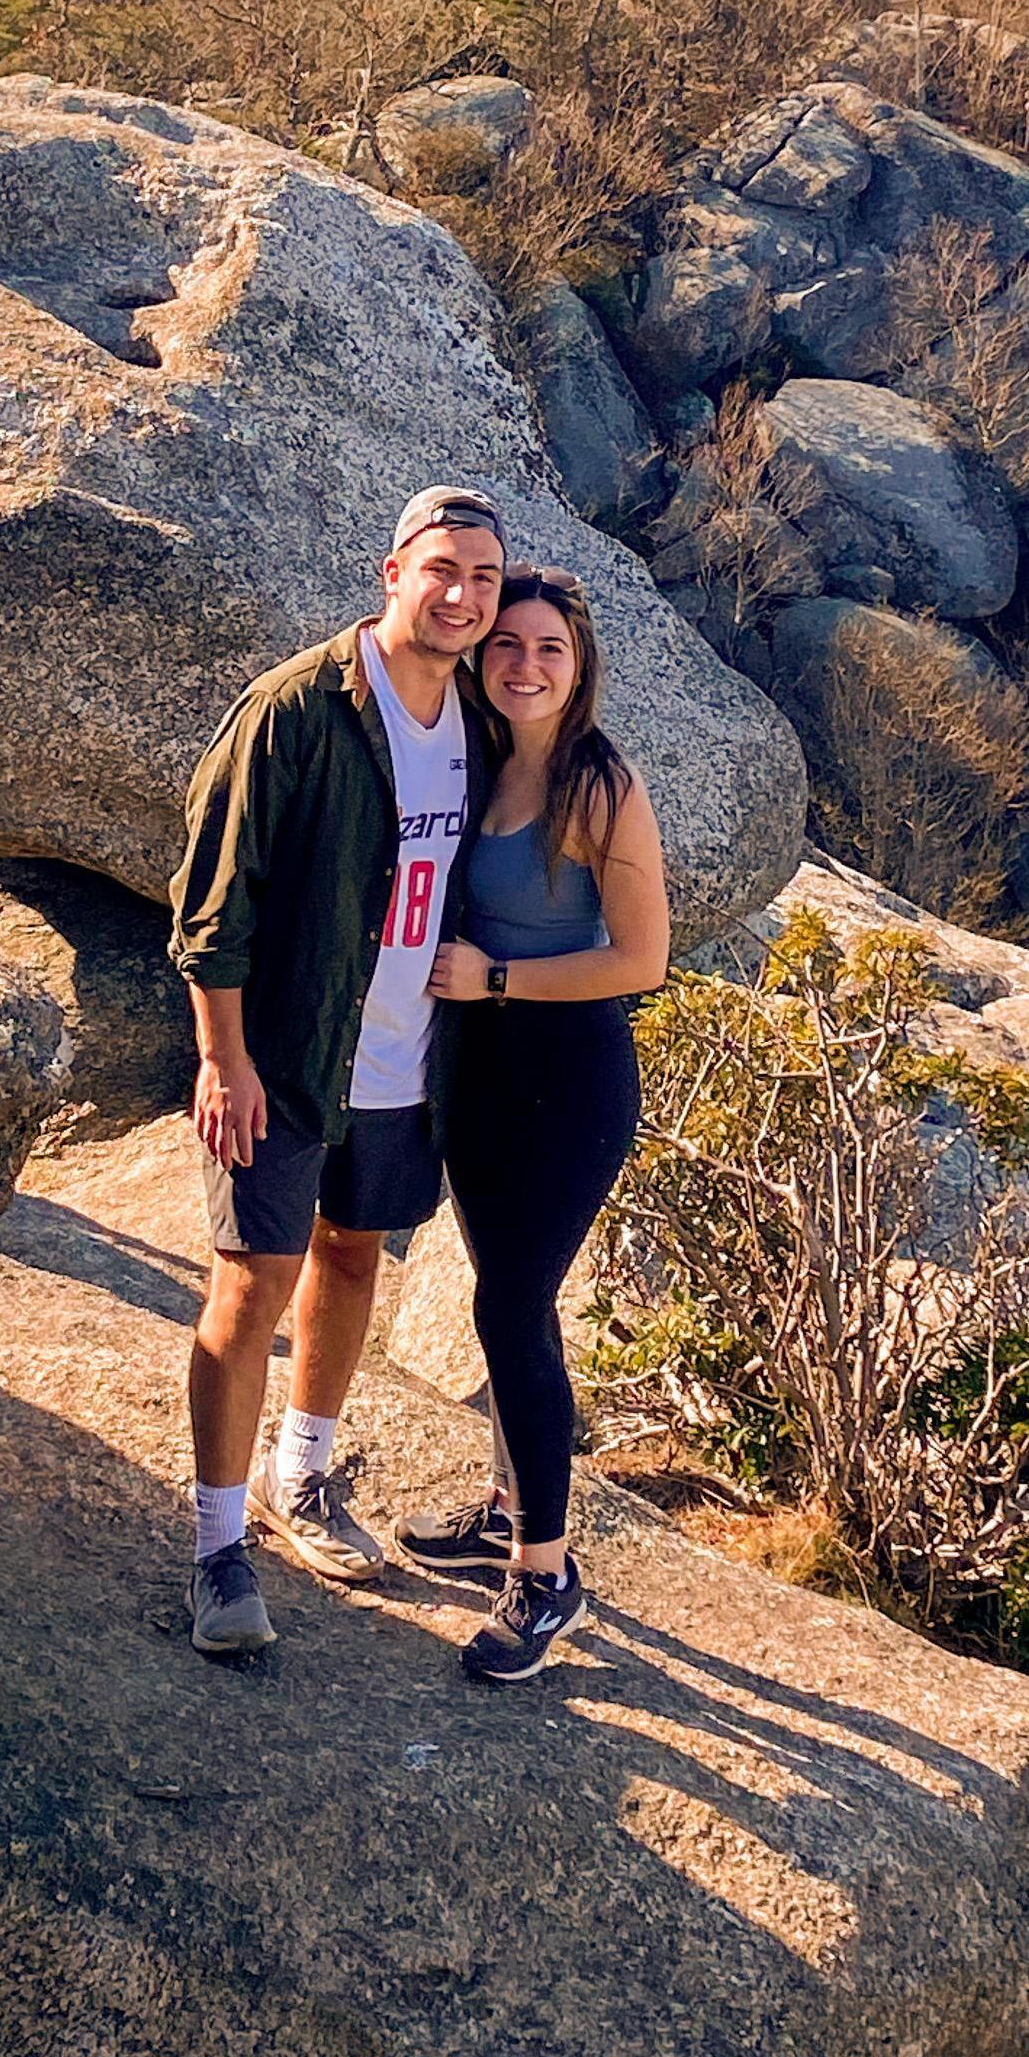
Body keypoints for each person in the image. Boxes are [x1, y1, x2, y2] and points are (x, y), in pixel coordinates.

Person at [165, 486, 503, 1653]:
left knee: (351, 1251)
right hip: (291, 1053)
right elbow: (212, 900)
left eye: (483, 579)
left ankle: (297, 1475)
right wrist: (224, 1058)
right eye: (440, 570)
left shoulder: (481, 722)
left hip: (406, 1056)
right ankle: (217, 1548)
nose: (460, 596)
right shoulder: (298, 708)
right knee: (250, 1281)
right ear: (390, 572)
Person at [394, 566, 671, 1683]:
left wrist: (496, 975)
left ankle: (547, 1574)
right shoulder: (470, 760)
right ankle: (510, 1507)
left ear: (580, 662)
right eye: (506, 643)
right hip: (476, 1070)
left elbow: (640, 958)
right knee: (510, 1303)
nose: (523, 663)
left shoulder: (600, 785)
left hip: (569, 1076)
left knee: (508, 1304)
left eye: (547, 647)